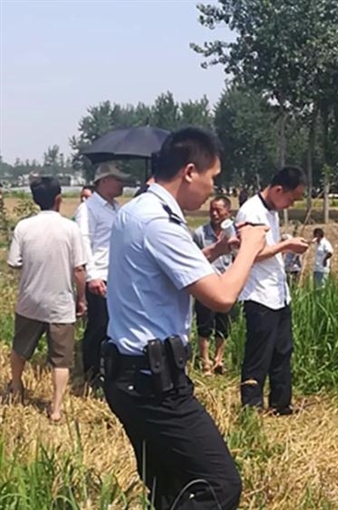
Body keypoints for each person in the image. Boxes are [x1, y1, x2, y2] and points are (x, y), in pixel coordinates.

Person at [103, 127, 267, 510]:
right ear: (190, 171)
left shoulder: (137, 211)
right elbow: (222, 297)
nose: (213, 190)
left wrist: (218, 251)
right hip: (154, 385)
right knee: (219, 486)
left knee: (171, 488)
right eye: (213, 178)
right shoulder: (159, 223)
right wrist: (251, 248)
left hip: (129, 375)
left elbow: (164, 271)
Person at [7, 177, 87, 422]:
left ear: (35, 200)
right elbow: (79, 269)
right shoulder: (70, 228)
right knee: (61, 359)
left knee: (20, 348)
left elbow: (14, 262)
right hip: (60, 304)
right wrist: (81, 299)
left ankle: (16, 386)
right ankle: (56, 408)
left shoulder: (23, 227)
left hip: (30, 300)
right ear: (58, 199)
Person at [236, 166, 309, 415]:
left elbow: (268, 249)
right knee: (259, 354)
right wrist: (286, 246)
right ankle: (251, 407)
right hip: (259, 295)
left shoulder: (272, 212)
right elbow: (250, 254)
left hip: (278, 293)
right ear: (279, 190)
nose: (291, 204)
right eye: (291, 198)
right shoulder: (251, 212)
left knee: (282, 351)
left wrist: (283, 245)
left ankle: (281, 403)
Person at [75, 163, 129, 385]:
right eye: (118, 180)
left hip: (117, 275)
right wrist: (92, 276)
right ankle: (92, 374)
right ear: (104, 180)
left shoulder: (116, 208)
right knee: (98, 326)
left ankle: (109, 371)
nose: (122, 184)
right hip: (100, 276)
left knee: (114, 326)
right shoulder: (89, 209)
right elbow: (84, 242)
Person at [192, 195, 235, 375]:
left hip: (226, 285)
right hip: (206, 286)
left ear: (228, 212)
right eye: (212, 210)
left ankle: (219, 359)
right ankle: (205, 362)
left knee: (223, 325)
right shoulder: (199, 233)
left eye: (219, 210)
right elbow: (192, 259)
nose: (214, 214)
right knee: (204, 325)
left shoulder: (233, 234)